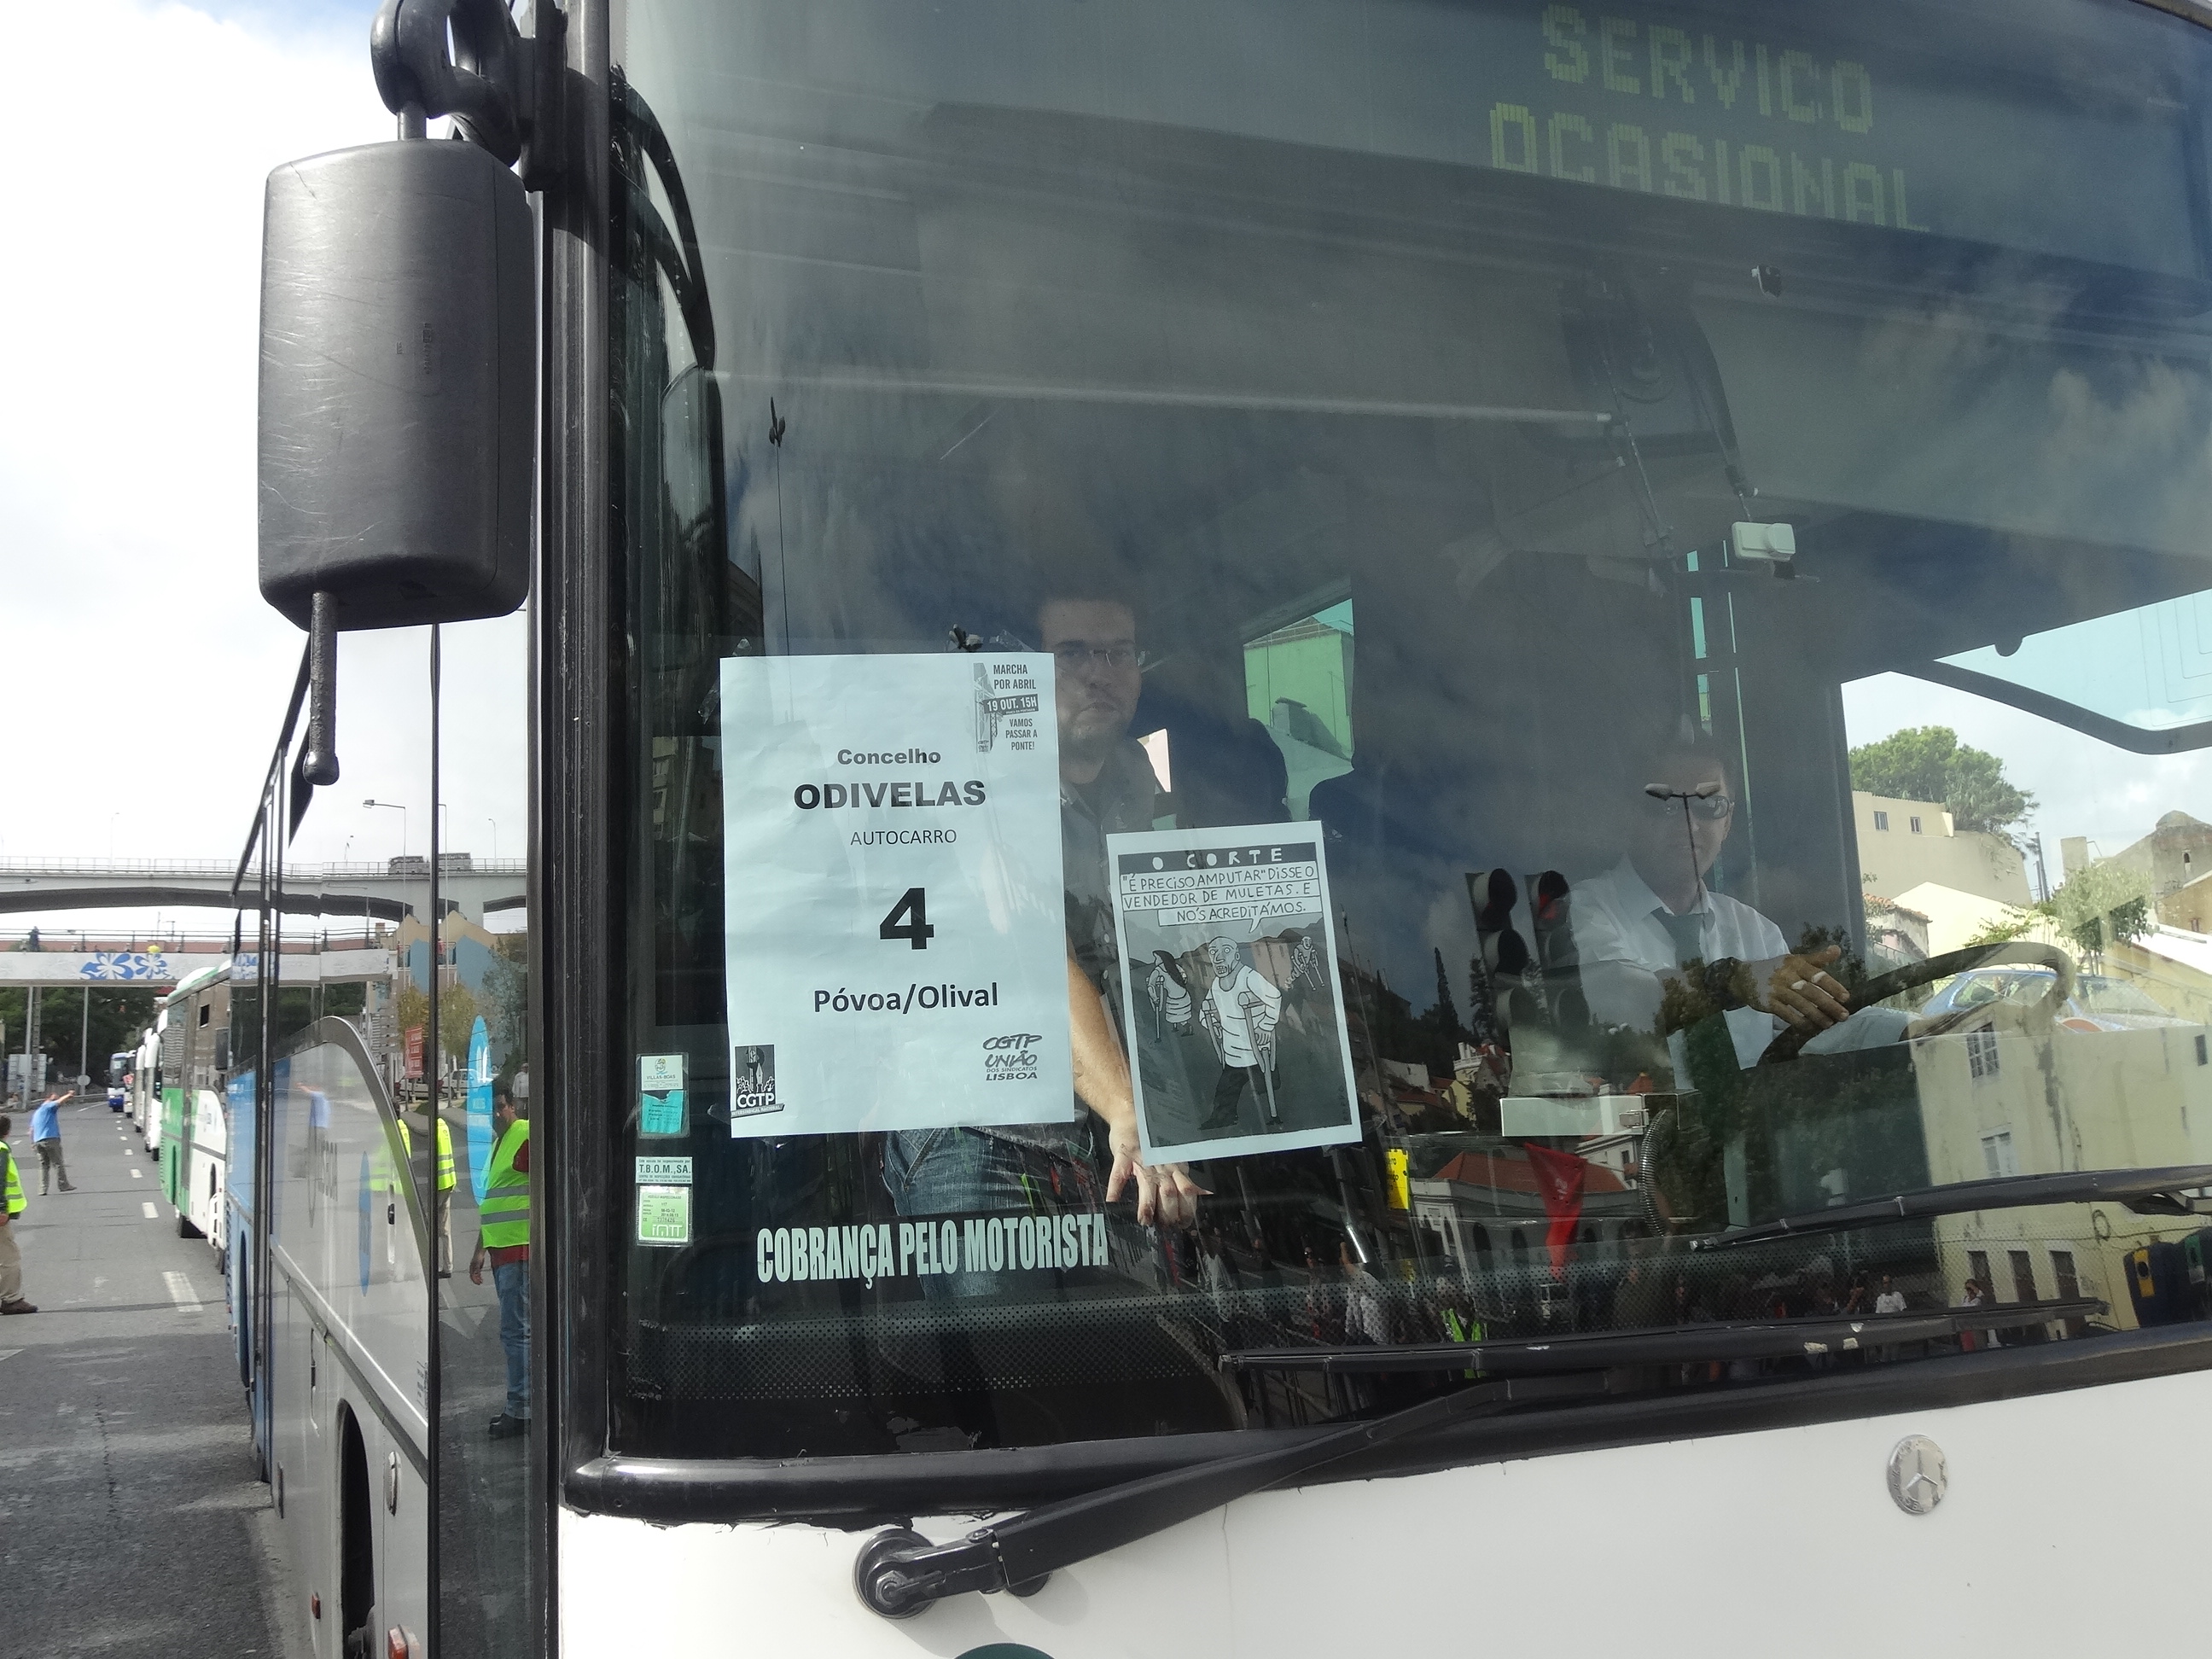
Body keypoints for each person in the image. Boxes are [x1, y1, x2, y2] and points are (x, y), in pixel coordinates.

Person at [882, 589, 1204, 1263]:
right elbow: (1032, 956)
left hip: (1099, 1132)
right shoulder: (984, 777)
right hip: (982, 1134)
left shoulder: (1138, 788)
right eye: (1073, 653)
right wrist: (1130, 1110)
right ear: (1026, 672)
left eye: (1117, 653)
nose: (1098, 673)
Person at [1572, 736, 1852, 1076]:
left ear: (1728, 822)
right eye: (1665, 805)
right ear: (1630, 815)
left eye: (1710, 806)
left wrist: (1906, 1029)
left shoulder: (1756, 932)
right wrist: (1729, 981)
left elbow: (1824, 1028)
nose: (1689, 825)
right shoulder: (1579, 913)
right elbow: (1627, 998)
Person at [469, 1086, 531, 1438]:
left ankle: (521, 1409)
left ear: (513, 1106)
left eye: (501, 1107)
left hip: (519, 1250)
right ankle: (521, 1405)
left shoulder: (524, 1134)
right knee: (515, 1333)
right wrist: (480, 1249)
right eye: (490, 1110)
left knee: (517, 1333)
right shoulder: (499, 1144)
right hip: (501, 1249)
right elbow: (494, 1200)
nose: (496, 1115)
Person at [1196, 934, 1284, 1132]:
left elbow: (1274, 997)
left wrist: (1265, 1025)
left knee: (1266, 1086)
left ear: (1237, 956)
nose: (1219, 957)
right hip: (1233, 1052)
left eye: (1226, 952)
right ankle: (1223, 1118)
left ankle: (1273, 1117)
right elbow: (1204, 1012)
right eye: (1213, 953)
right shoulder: (1216, 985)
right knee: (1226, 1089)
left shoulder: (1248, 977)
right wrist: (1213, 1024)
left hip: (1257, 1047)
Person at [400, 1103, 457, 1277]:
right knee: (445, 1229)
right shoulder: (444, 1126)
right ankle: (448, 1267)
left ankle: (427, 1265)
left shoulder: (434, 1129)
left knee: (428, 1225)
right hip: (449, 1181)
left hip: (439, 1183)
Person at [0, 1115, 29, 1314]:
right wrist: (2, 1208)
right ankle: (11, 1299)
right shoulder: (1, 1149)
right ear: (7, 1132)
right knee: (10, 1257)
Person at [30, 1086, 73, 1196]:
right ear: (48, 1099)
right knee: (58, 1163)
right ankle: (63, 1185)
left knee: (43, 1166)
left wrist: (32, 1143)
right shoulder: (48, 1107)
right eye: (54, 1098)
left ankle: (42, 1189)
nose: (56, 1101)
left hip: (38, 1141)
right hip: (50, 1139)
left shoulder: (37, 1112)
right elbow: (58, 1102)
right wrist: (69, 1095)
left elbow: (31, 1129)